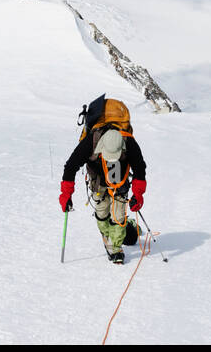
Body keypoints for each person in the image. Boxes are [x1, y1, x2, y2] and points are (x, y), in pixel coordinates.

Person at [59, 95, 147, 265]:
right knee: (102, 212)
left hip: (120, 180)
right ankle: (112, 234)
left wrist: (138, 194)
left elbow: (140, 169)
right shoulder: (90, 142)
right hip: (98, 180)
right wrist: (66, 195)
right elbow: (70, 167)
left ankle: (115, 248)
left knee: (118, 215)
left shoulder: (128, 142)